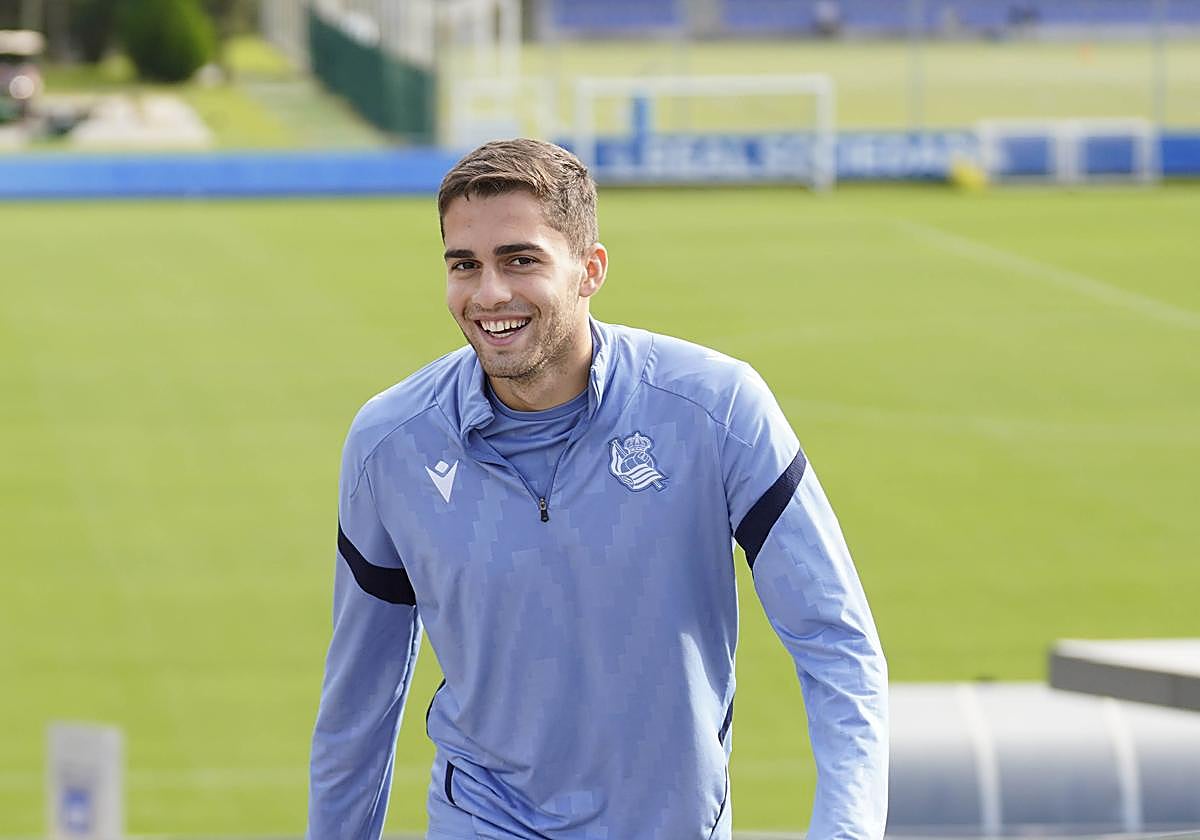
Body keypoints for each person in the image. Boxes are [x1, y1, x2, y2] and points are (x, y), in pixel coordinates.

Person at [307, 138, 888, 840]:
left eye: (520, 260)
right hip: (481, 818)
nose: (488, 293)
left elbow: (836, 642)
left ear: (590, 270)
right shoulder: (390, 444)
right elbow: (359, 701)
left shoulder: (718, 408)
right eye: (465, 265)